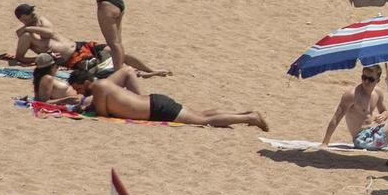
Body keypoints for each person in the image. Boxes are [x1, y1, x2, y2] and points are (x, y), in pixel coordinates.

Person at [70, 66, 266, 128]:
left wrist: (88, 107)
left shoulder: (100, 88)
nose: (79, 93)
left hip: (156, 109)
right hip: (154, 102)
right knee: (202, 114)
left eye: (79, 89)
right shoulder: (105, 85)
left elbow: (104, 114)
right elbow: (127, 71)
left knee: (203, 120)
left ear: (86, 82)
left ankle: (250, 118)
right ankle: (244, 113)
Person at [321, 65, 388, 148]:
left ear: (378, 80)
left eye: (370, 79)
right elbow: (336, 118)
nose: (366, 81)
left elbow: (384, 111)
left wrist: (384, 115)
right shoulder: (352, 95)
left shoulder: (378, 92)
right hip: (361, 138)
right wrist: (325, 143)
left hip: (374, 131)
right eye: (364, 77)